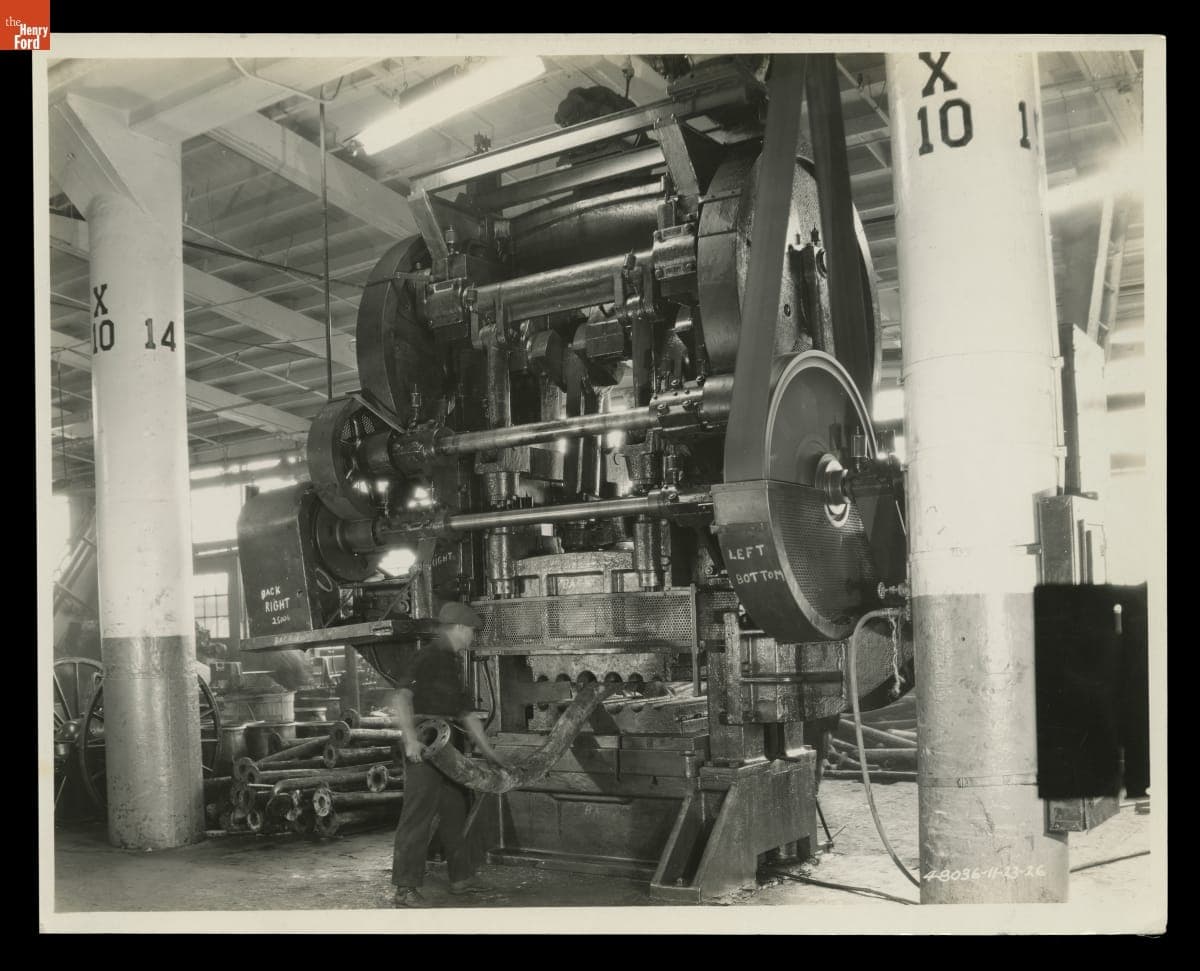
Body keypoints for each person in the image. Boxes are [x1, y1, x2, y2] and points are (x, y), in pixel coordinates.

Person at [390, 601, 505, 908]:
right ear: (457, 628)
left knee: (455, 811)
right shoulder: (427, 657)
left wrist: (490, 754)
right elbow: (402, 697)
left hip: (449, 746)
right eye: (470, 631)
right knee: (417, 816)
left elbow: (466, 714)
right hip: (426, 744)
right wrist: (410, 741)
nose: (472, 638)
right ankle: (404, 888)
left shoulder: (452, 663)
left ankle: (461, 878)